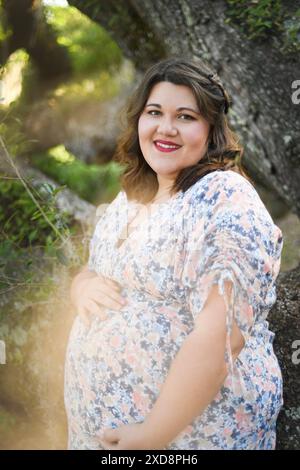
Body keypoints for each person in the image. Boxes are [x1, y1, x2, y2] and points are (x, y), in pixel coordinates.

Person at [64, 57, 284, 450]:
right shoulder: (130, 200)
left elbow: (222, 336)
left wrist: (153, 434)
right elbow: (92, 270)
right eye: (154, 112)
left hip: (190, 440)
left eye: (185, 116)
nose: (165, 128)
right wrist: (81, 288)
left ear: (211, 130)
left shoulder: (223, 197)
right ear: (139, 121)